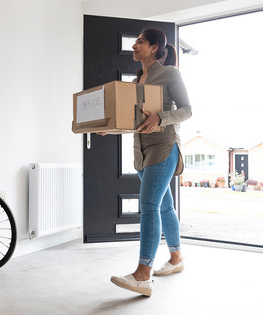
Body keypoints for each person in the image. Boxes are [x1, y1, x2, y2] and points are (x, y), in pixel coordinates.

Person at [109, 28, 192, 296]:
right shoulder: (136, 81)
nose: (134, 46)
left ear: (154, 48)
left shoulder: (170, 73)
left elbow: (187, 110)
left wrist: (161, 117)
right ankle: (176, 258)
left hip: (164, 147)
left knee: (148, 207)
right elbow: (131, 120)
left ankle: (143, 274)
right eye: (135, 42)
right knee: (164, 207)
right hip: (141, 152)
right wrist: (108, 127)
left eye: (140, 42)